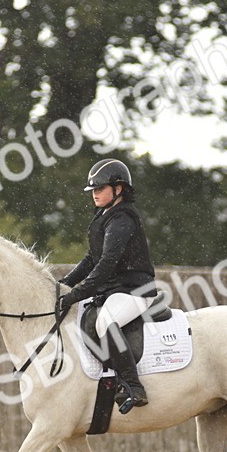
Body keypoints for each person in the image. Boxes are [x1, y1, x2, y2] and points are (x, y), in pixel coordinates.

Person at [58, 158, 157, 413]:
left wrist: (77, 293)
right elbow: (91, 258)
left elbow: (105, 264)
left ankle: (134, 387)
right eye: (93, 190)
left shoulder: (123, 218)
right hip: (117, 291)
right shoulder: (104, 215)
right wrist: (64, 285)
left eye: (100, 188)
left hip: (136, 290)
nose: (95, 194)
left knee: (105, 322)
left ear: (119, 189)